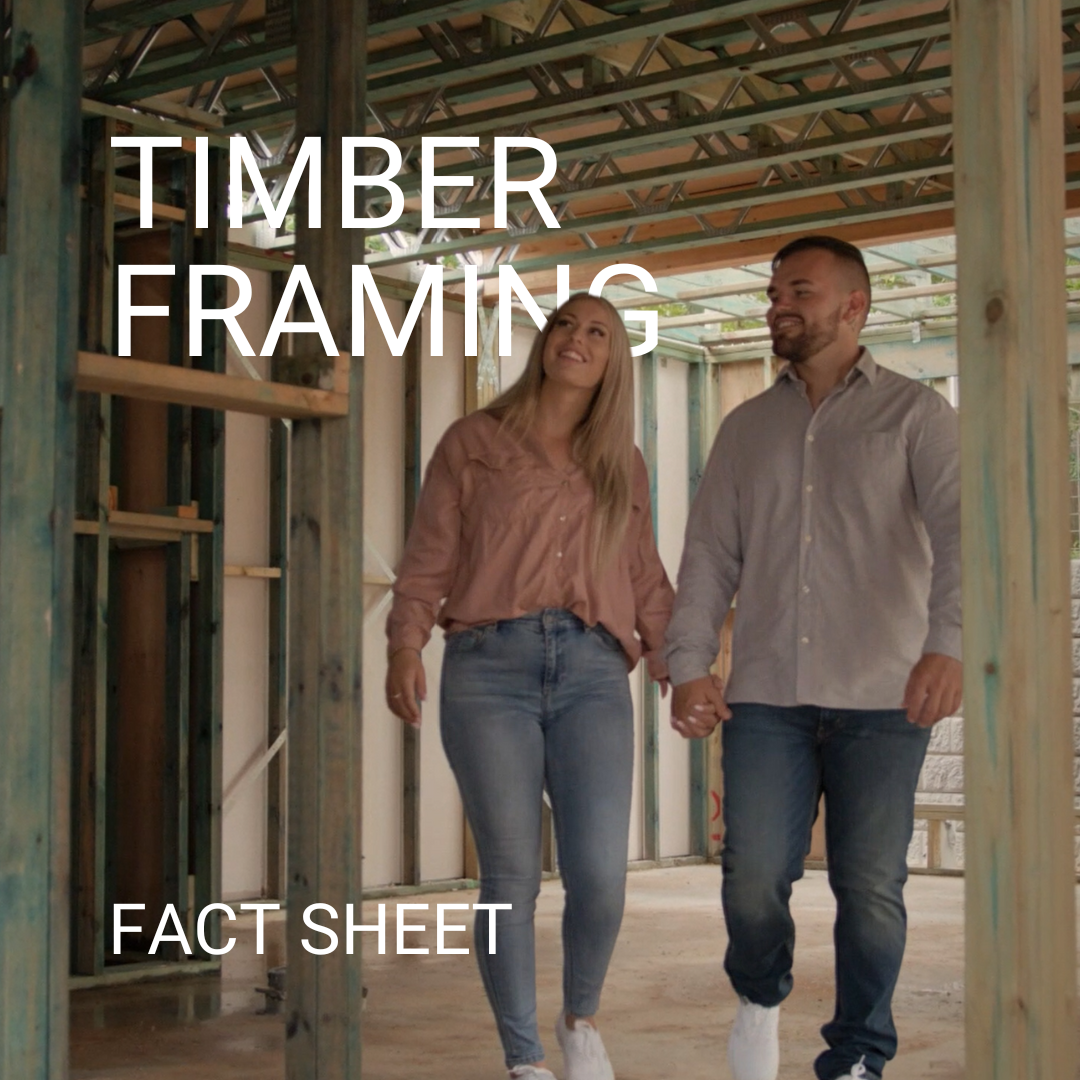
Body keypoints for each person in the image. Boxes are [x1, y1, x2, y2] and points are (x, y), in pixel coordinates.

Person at [665, 236, 961, 1080]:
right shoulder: (746, 428)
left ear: (853, 307)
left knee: (870, 890)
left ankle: (860, 1053)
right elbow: (708, 558)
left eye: (799, 290)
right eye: (772, 292)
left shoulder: (917, 415)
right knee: (753, 878)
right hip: (765, 697)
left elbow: (960, 538)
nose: (777, 306)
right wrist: (690, 663)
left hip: (883, 697)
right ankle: (760, 997)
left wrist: (947, 644)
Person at [385, 293, 674, 1080]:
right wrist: (405, 643)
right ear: (543, 340)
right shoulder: (473, 443)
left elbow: (644, 574)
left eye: (597, 333)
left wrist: (684, 669)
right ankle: (524, 1060)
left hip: (590, 672)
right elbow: (430, 555)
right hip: (488, 670)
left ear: (614, 360)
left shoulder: (624, 462)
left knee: (599, 876)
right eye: (564, 325)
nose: (575, 340)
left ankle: (581, 1017)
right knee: (509, 876)